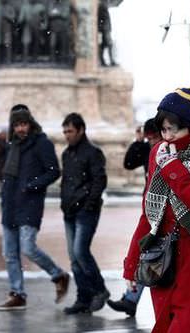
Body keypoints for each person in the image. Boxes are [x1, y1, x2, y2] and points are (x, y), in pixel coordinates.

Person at [122, 88, 190, 331]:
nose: (168, 136)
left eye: (174, 128)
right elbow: (149, 214)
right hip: (164, 267)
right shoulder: (158, 154)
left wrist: (174, 168)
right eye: (163, 129)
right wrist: (131, 265)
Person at [0, 104, 69, 311]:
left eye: (24, 124)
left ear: (30, 123)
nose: (20, 129)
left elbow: (53, 171)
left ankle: (58, 275)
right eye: (17, 125)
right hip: (10, 204)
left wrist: (32, 185)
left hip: (29, 203)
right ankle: (17, 294)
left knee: (28, 247)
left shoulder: (41, 143)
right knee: (9, 253)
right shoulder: (13, 145)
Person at [107, 118, 161, 316]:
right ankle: (131, 298)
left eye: (154, 138)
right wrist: (138, 142)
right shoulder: (147, 148)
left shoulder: (167, 151)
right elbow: (129, 163)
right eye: (149, 139)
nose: (153, 142)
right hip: (150, 207)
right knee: (147, 253)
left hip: (159, 211)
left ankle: (131, 299)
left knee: (150, 254)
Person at [60, 113, 110, 314]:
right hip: (69, 210)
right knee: (74, 257)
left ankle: (99, 289)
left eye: (70, 131)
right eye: (64, 131)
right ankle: (84, 297)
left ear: (81, 130)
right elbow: (66, 181)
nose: (67, 135)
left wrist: (89, 204)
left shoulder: (93, 153)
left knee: (81, 251)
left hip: (86, 211)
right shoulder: (66, 154)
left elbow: (100, 180)